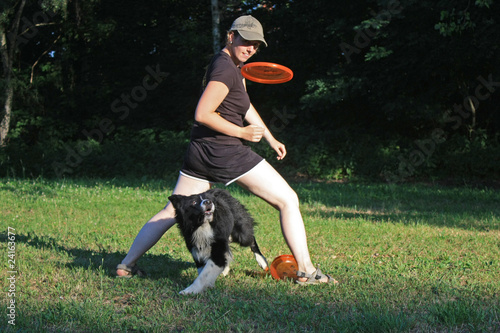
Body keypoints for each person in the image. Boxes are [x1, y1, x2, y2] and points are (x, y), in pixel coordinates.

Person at [116, 15, 336, 285]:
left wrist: (269, 136)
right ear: (231, 36)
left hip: (201, 151)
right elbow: (203, 113)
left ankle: (126, 265)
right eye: (246, 41)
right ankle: (307, 271)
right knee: (288, 199)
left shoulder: (234, 65)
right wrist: (242, 133)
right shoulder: (225, 68)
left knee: (171, 210)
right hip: (224, 151)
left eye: (256, 44)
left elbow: (244, 107)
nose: (250, 48)